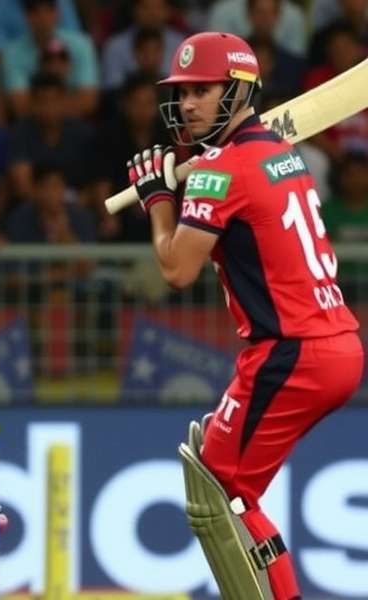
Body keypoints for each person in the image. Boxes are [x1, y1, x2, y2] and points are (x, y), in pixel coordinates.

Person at [126, 32, 363, 600]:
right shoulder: (283, 153)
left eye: (202, 91)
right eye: (183, 93)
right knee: (225, 482)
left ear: (237, 91)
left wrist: (157, 201)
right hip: (335, 344)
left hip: (292, 352)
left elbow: (176, 270)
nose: (187, 105)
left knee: (220, 494)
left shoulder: (219, 170)